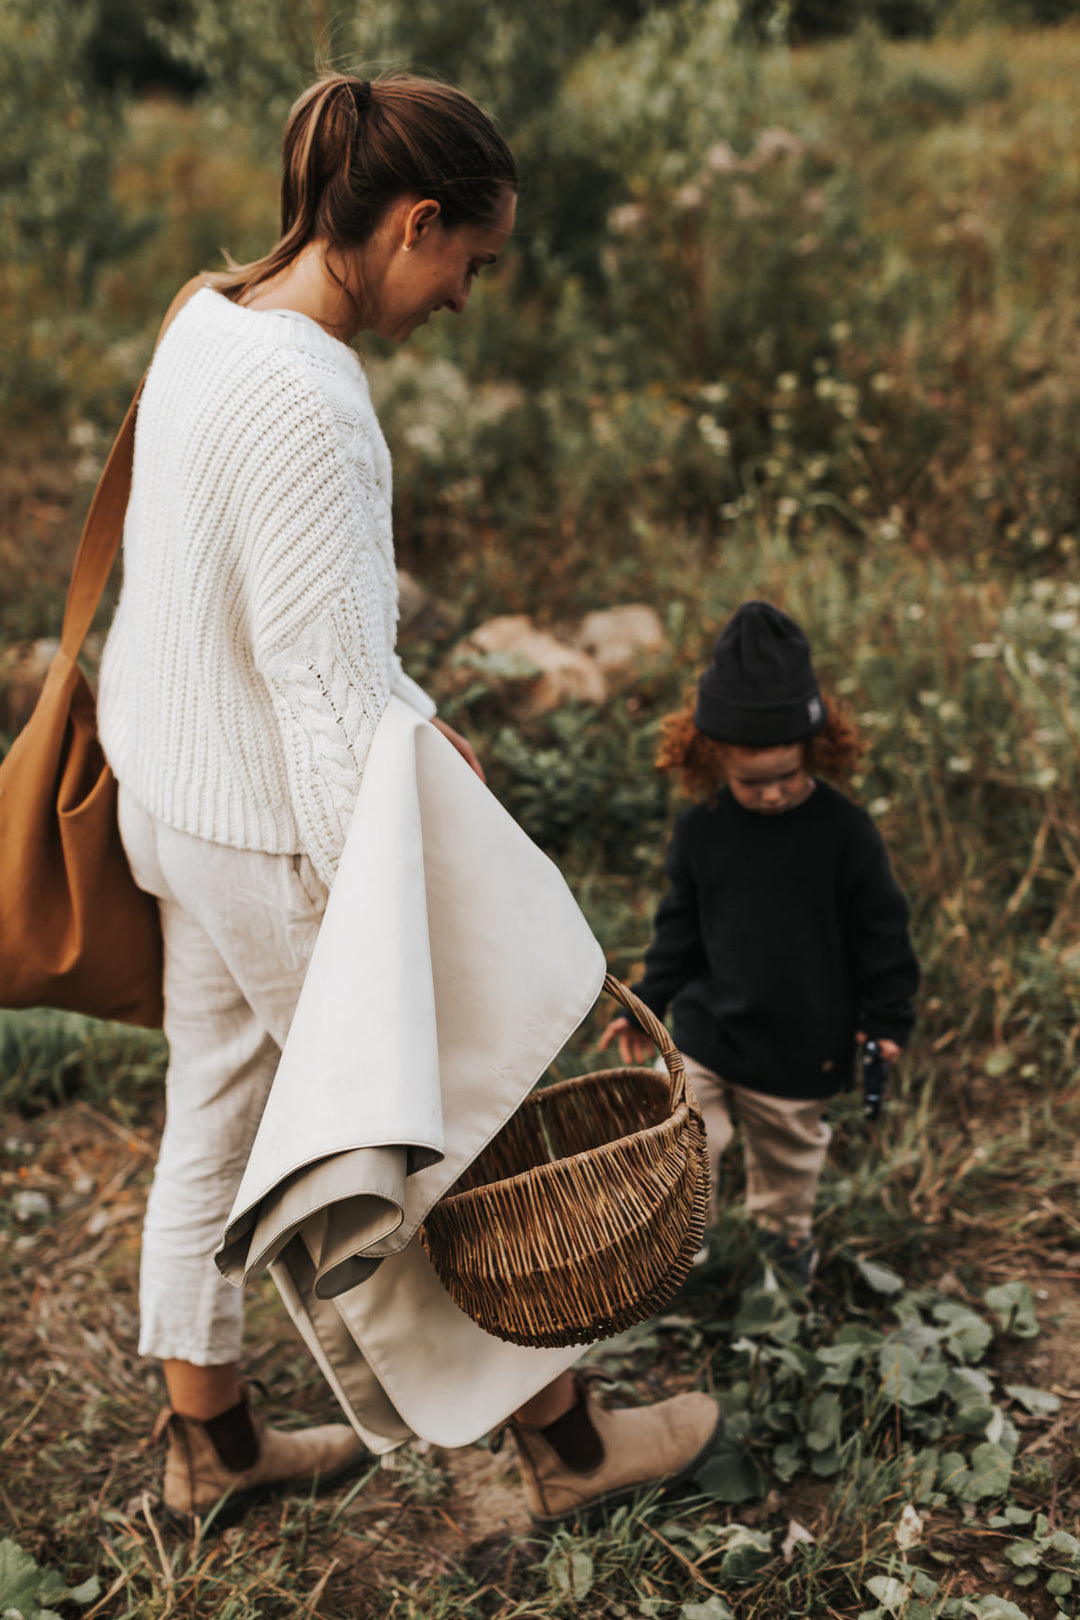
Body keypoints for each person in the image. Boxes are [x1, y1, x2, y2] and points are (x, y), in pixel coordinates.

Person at [97, 70, 718, 1526]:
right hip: (270, 836)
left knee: (214, 1120)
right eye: (469, 261)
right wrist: (375, 928)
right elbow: (322, 700)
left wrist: (418, 722)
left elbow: (248, 615)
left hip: (170, 799)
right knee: (442, 1133)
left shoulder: (210, 319)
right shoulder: (316, 401)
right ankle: (565, 1456)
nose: (465, 296)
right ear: (412, 221)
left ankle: (215, 1449)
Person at [601, 600, 919, 1286]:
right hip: (709, 1030)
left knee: (788, 1157)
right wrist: (641, 1005)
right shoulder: (702, 831)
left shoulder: (844, 832)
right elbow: (678, 933)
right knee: (685, 1134)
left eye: (788, 777)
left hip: (804, 1041)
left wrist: (888, 1019)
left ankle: (783, 1245)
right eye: (753, 783)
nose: (773, 795)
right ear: (711, 755)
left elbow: (881, 932)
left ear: (817, 748)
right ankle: (688, 1243)